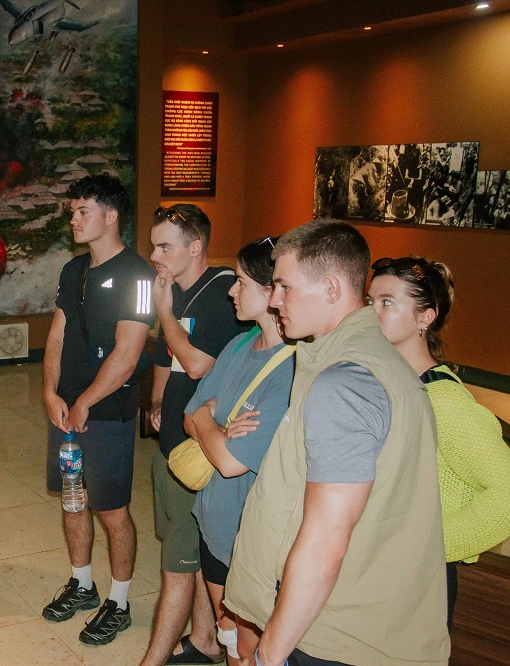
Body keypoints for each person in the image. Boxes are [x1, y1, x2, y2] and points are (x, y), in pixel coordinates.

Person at [225, 219, 449, 666]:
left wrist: (271, 650)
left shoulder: (343, 385)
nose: (274, 299)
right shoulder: (368, 363)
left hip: (335, 636)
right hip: (359, 620)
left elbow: (327, 536)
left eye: (284, 287)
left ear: (330, 288)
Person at [42, 173, 155, 646]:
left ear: (110, 217)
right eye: (72, 211)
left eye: (82, 211)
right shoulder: (74, 270)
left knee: (111, 511)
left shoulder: (139, 276)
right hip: (65, 411)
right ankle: (83, 583)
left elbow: (128, 353)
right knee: (73, 499)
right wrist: (50, 391)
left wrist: (87, 401)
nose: (73, 218)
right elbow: (57, 333)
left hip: (107, 413)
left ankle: (120, 600)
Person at [367, 256, 510, 629]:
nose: (371, 313)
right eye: (369, 302)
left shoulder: (442, 400)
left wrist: (426, 545)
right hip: (370, 566)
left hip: (414, 578)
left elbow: (505, 491)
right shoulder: (382, 381)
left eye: (386, 303)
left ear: (424, 317)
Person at [142, 204, 251, 666]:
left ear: (195, 248)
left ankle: (155, 657)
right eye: (153, 244)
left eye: (164, 246)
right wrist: (158, 400)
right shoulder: (179, 289)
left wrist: (163, 310)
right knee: (190, 550)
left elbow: (198, 362)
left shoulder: (222, 292)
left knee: (179, 566)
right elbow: (169, 356)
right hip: (174, 439)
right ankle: (205, 637)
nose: (154, 254)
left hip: (203, 447)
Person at [182, 236, 295, 665]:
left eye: (242, 282)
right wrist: (220, 427)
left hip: (254, 543)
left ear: (272, 293)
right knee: (230, 640)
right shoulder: (238, 345)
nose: (231, 290)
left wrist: (211, 421)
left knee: (253, 652)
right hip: (215, 523)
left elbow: (230, 462)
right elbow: (187, 418)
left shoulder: (292, 368)